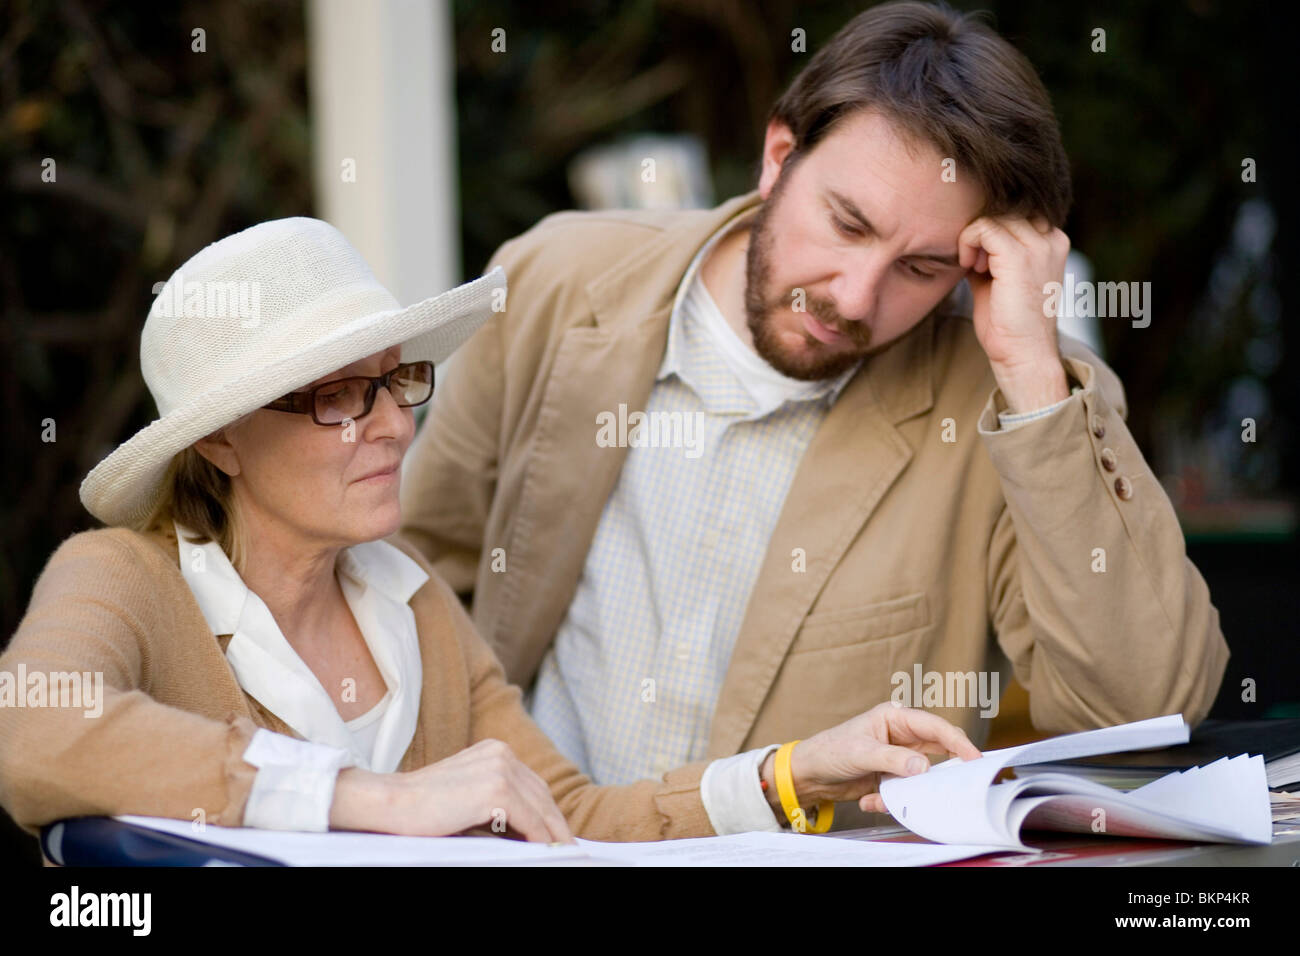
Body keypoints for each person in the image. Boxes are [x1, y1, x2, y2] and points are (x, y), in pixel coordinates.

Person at [397, 0, 1229, 801]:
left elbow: (1138, 717)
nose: (857, 298)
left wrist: (1033, 376)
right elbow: (416, 582)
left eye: (922, 267)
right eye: (848, 224)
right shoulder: (555, 280)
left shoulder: (1009, 399)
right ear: (778, 156)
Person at [0, 216, 981, 846]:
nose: (392, 422)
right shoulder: (121, 576)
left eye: (397, 378)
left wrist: (790, 771)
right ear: (220, 440)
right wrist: (369, 797)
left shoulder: (408, 592)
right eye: (339, 396)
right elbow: (28, 731)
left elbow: (576, 818)